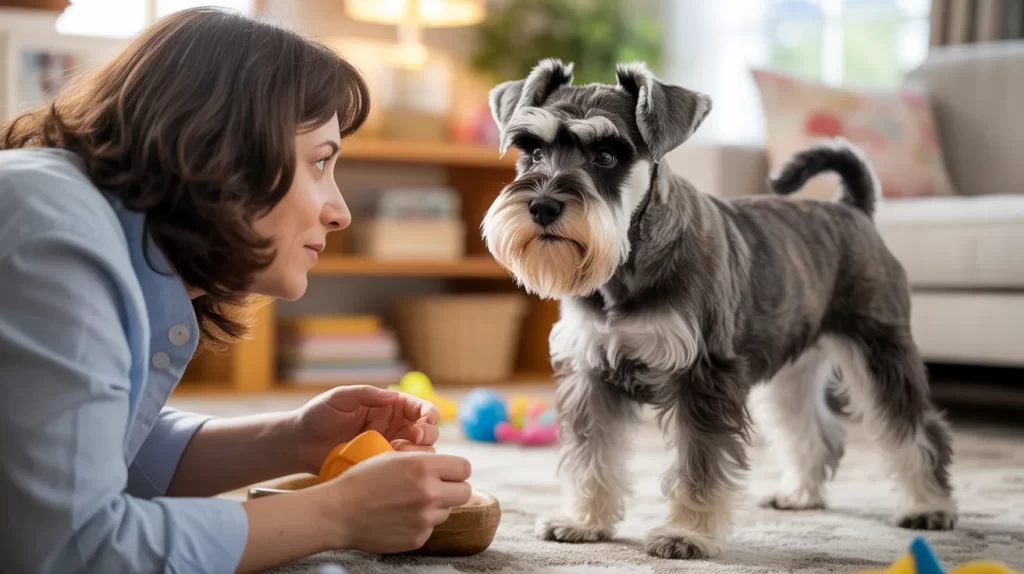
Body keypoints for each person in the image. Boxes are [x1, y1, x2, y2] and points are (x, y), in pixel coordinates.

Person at [0, 7, 473, 574]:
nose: (340, 212)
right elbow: (71, 548)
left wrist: (295, 440)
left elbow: (88, 450)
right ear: (222, 146)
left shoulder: (74, 222)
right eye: (320, 162)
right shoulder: (56, 237)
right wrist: (338, 514)